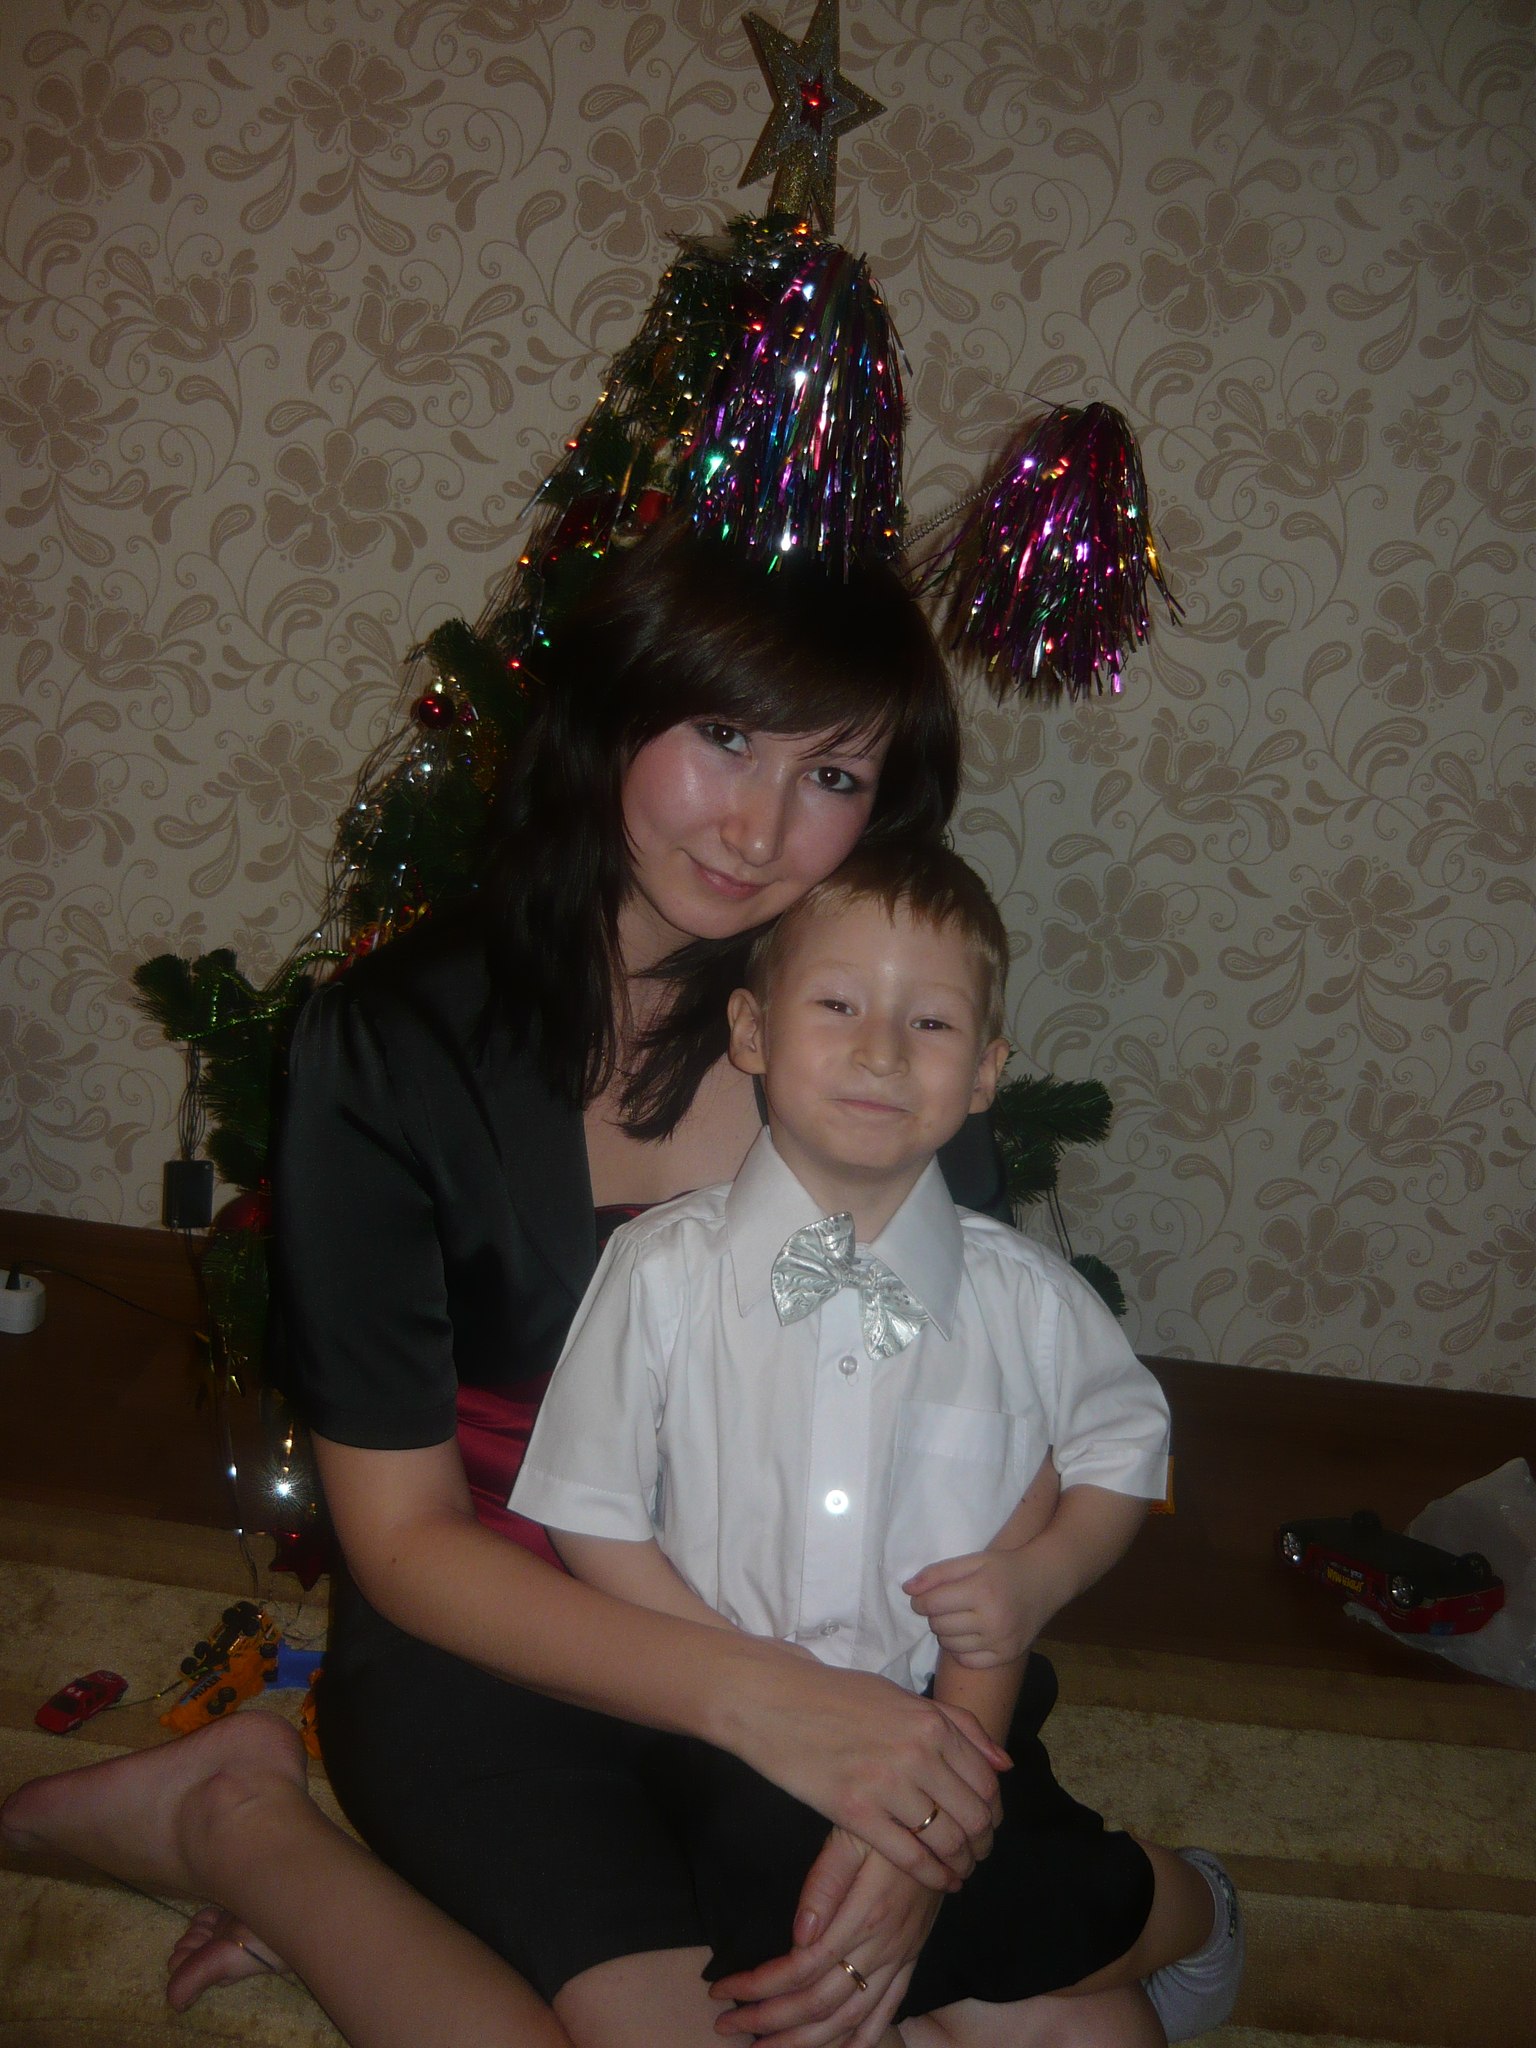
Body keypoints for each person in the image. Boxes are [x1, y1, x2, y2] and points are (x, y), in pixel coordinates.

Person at [2, 522, 1229, 2048]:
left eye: (834, 776)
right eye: (725, 737)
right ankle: (237, 1823)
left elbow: (1001, 1451)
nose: (760, 829)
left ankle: (1151, 1903)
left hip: (849, 1636)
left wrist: (936, 1800)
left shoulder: (877, 1039)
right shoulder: (390, 1045)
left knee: (1081, 2036)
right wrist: (755, 1702)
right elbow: (404, 1541)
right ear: (614, 716)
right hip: (505, 1645)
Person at [512, 840, 1243, 2041]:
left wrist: (1040, 1574)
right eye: (839, 1005)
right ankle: (1081, 1929)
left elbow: (1124, 1445)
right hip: (729, 1722)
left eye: (932, 1022)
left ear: (986, 1071)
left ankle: (1179, 1906)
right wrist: (753, 1681)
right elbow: (589, 1508)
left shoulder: (1027, 1298)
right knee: (781, 1887)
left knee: (1028, 1900)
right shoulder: (658, 1272)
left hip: (951, 1713)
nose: (882, 1050)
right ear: (751, 1031)